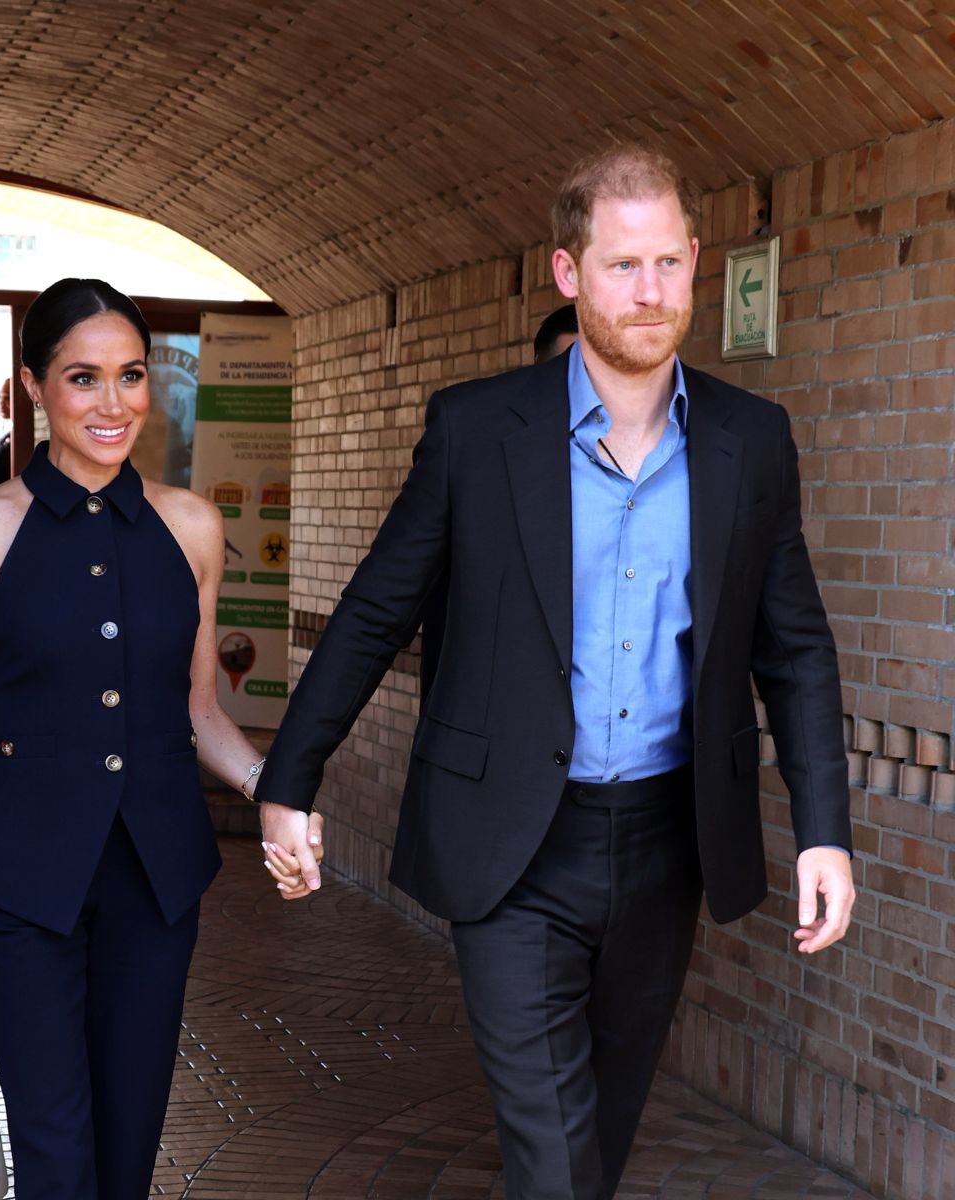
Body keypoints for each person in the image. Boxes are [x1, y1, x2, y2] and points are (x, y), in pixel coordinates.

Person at [255, 145, 856, 1200]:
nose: (652, 291)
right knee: (549, 1151)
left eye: (669, 262)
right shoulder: (479, 429)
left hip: (669, 841)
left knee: (598, 1141)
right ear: (568, 273)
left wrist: (824, 830)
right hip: (513, 843)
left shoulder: (750, 441)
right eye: (624, 266)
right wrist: (289, 780)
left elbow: (795, 647)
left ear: (697, 264)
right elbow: (372, 612)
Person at [0, 278, 320, 1200]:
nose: (113, 402)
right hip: (18, 886)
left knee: (127, 1157)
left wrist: (272, 793)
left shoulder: (193, 526)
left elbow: (201, 711)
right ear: (34, 387)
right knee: (55, 1156)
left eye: (131, 376)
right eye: (83, 378)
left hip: (155, 884)